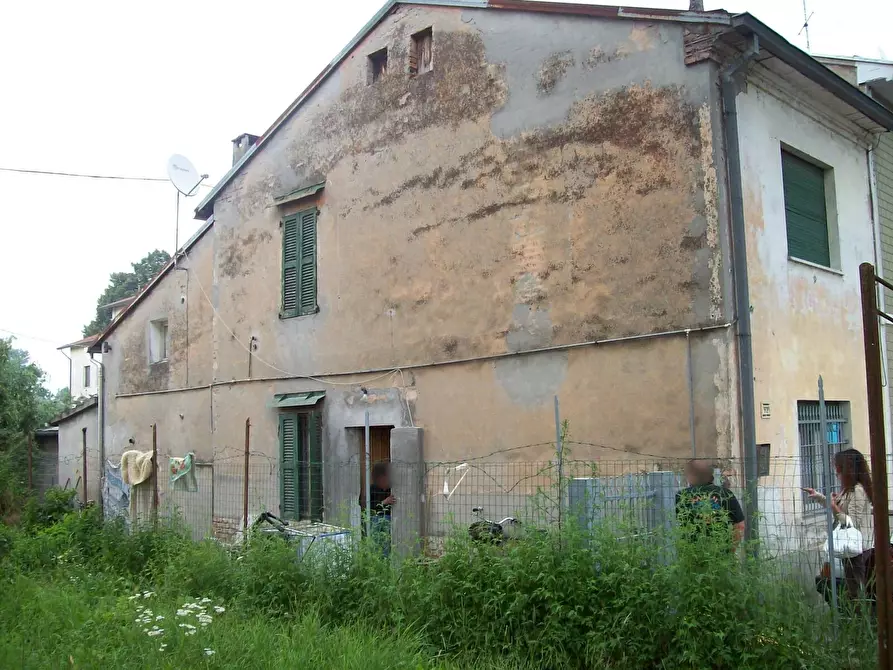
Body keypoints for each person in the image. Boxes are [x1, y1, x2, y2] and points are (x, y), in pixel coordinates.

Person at [805, 448, 875, 606]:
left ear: (846, 468)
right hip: (849, 550)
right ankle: (856, 620)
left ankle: (860, 623)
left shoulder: (857, 491)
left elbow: (853, 523)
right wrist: (818, 497)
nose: (835, 470)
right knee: (851, 590)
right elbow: (836, 507)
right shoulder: (848, 490)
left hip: (858, 550)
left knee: (857, 592)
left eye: (837, 466)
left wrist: (834, 507)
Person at [676, 459, 746, 549]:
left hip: (689, 553)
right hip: (720, 552)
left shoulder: (681, 496)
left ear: (691, 476)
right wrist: (731, 550)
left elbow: (668, 525)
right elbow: (740, 526)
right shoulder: (725, 494)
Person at [359, 461, 396, 557]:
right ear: (381, 478)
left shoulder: (391, 489)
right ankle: (376, 557)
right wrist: (384, 502)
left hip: (389, 520)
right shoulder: (372, 489)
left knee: (387, 542)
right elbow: (367, 507)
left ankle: (386, 558)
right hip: (376, 519)